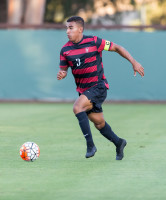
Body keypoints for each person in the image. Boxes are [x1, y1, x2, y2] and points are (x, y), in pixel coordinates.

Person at [57, 16, 144, 160]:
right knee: (99, 123)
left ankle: (90, 145)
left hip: (98, 86)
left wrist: (133, 62)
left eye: (70, 28)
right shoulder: (65, 50)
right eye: (67, 28)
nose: (67, 31)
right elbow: (64, 69)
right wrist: (62, 73)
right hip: (84, 91)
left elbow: (116, 47)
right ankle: (119, 142)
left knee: (77, 108)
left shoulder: (94, 41)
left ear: (80, 29)